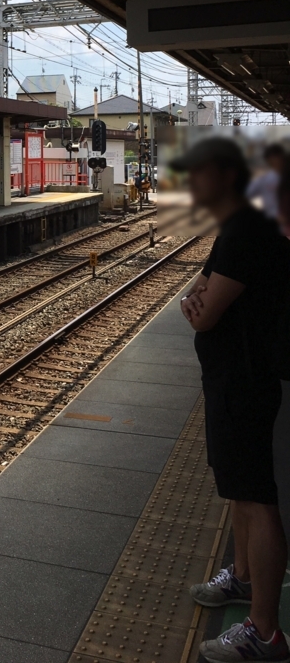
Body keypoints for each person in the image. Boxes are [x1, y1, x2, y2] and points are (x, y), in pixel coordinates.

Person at [174, 137, 289, 663]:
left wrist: (198, 305)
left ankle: (266, 633)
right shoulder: (236, 227)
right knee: (239, 493)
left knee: (256, 498)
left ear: (224, 175)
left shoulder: (245, 230)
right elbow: (193, 294)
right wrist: (197, 302)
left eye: (197, 174)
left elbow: (205, 311)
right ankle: (242, 579)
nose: (190, 184)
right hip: (231, 379)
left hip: (245, 379)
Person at [247, 143, 286, 222]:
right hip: (272, 222)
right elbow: (245, 195)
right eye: (271, 160)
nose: (275, 162)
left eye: (276, 158)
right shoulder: (264, 180)